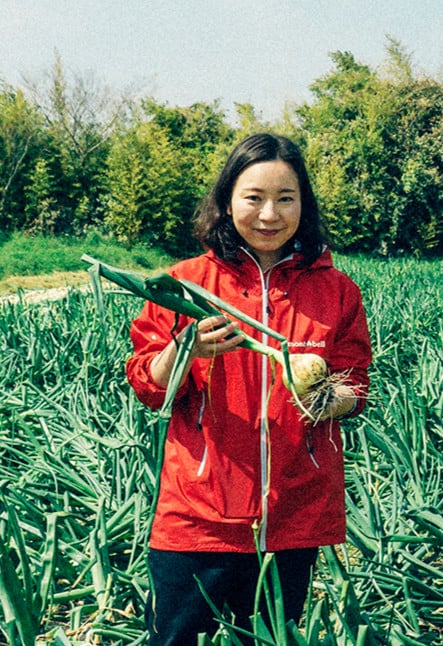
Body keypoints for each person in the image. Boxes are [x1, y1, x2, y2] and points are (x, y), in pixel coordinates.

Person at [125, 133, 372, 644]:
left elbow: (358, 387)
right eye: (253, 197)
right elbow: (147, 382)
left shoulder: (337, 290)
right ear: (227, 201)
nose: (269, 214)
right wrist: (186, 349)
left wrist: (327, 396)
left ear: (304, 204)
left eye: (286, 198)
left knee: (267, 638)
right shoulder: (184, 285)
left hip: (293, 514)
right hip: (199, 516)